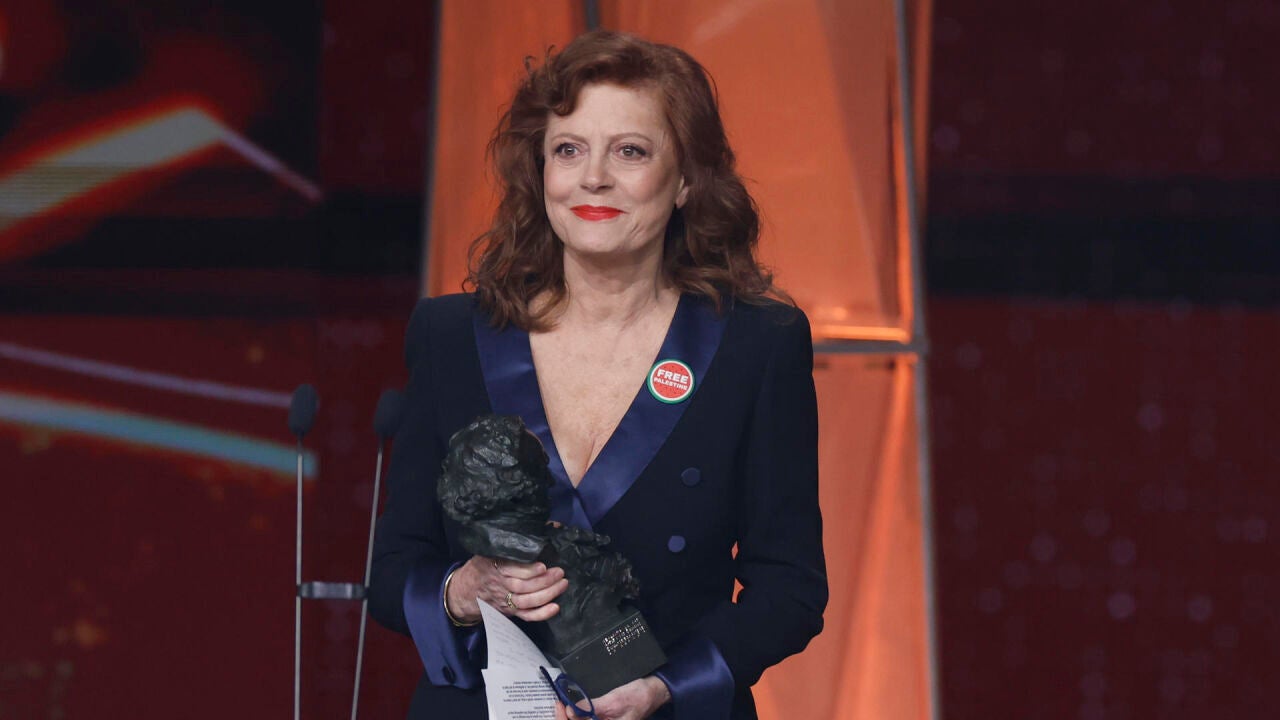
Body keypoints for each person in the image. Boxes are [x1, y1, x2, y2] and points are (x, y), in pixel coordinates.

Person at [369, 29, 826, 720]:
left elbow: (789, 587)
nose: (593, 178)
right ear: (541, 173)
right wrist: (462, 590)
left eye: (630, 151)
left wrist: (669, 686)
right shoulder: (450, 336)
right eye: (569, 150)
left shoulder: (758, 346)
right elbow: (393, 570)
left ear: (686, 180)